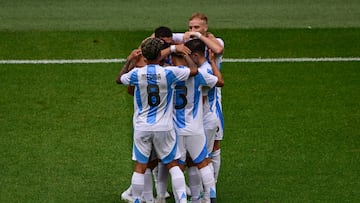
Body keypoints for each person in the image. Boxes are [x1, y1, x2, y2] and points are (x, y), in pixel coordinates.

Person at [117, 38, 198, 203]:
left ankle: (138, 200)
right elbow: (194, 71)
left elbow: (120, 79)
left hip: (142, 127)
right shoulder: (170, 72)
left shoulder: (136, 74)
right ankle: (182, 201)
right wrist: (183, 53)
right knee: (173, 165)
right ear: (160, 55)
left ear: (144, 57)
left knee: (140, 166)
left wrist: (130, 59)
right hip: (164, 127)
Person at [172, 12, 225, 183]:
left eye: (196, 27)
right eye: (190, 27)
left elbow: (218, 49)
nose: (192, 30)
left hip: (211, 102)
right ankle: (200, 190)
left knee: (212, 147)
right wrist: (182, 38)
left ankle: (210, 187)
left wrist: (198, 36)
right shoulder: (188, 39)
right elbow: (157, 37)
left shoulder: (215, 41)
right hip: (194, 101)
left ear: (205, 27)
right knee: (195, 152)